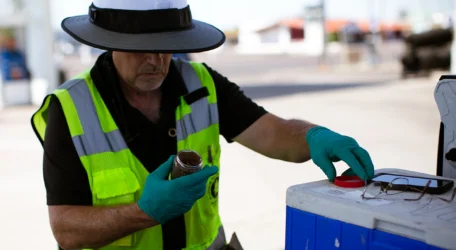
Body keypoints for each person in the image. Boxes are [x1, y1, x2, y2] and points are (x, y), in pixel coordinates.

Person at [30, 1, 375, 249]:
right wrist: (143, 213)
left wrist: (313, 135)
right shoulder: (71, 109)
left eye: (166, 46)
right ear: (111, 42)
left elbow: (271, 132)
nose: (155, 60)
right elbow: (66, 231)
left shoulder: (201, 84)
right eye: (140, 48)